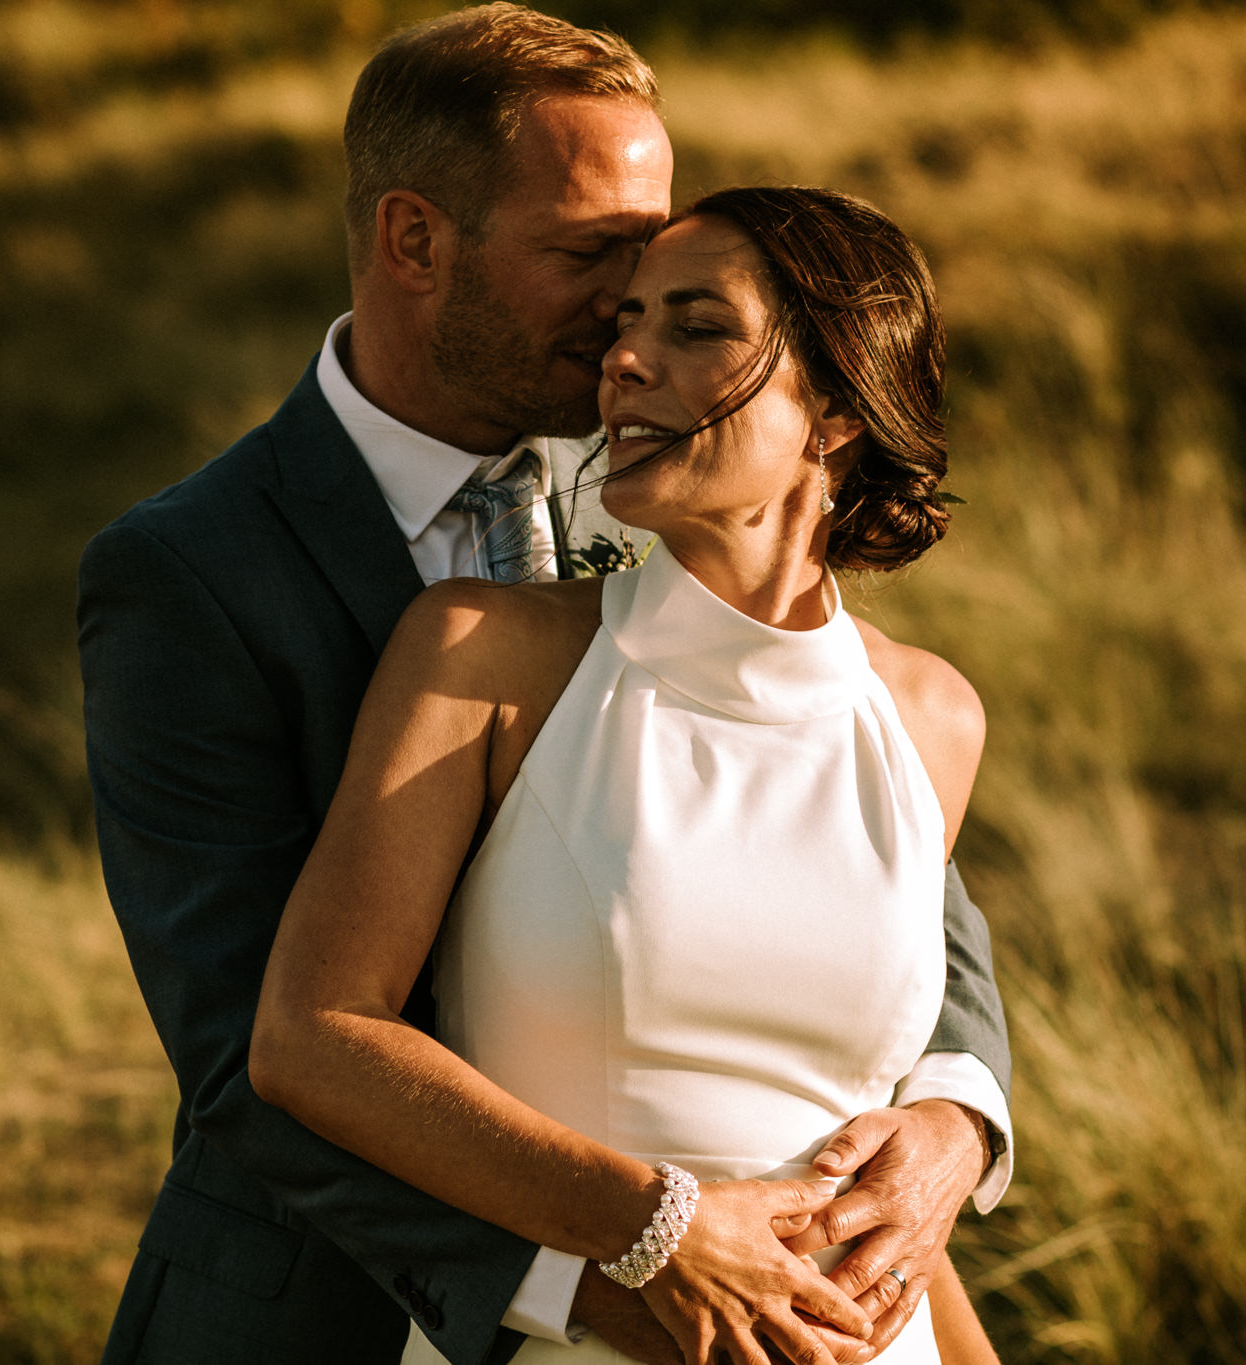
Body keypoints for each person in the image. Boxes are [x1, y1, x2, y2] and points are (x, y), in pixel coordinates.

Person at [77, 8, 1011, 1363]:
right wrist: (625, 1263)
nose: (623, 333)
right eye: (591, 261)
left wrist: (950, 1124)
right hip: (330, 1314)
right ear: (416, 241)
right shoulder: (194, 573)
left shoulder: (667, 489)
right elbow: (251, 1057)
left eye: (657, 275)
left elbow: (905, 916)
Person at [248, 184, 994, 1365]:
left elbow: (867, 1155)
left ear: (838, 409)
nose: (626, 361)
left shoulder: (929, 716)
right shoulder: (484, 654)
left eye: (696, 327)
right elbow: (314, 1034)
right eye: (624, 324)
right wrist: (657, 1225)